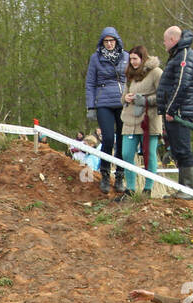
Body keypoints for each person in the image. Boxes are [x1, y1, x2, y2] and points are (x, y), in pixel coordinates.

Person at [85, 26, 127, 196]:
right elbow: (90, 83)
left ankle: (120, 176)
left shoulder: (126, 56)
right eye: (106, 41)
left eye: (112, 41)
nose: (109, 44)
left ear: (116, 41)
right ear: (102, 42)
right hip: (103, 102)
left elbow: (134, 78)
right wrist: (91, 106)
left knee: (123, 141)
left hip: (123, 102)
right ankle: (104, 174)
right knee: (108, 138)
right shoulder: (95, 58)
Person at [157, 24, 193, 193]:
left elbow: (182, 84)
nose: (164, 44)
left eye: (165, 41)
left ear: (173, 40)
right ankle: (183, 188)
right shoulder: (177, 55)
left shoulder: (184, 56)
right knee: (177, 150)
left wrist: (171, 110)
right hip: (175, 112)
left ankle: (188, 189)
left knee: (183, 150)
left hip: (180, 113)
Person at [120, 44, 161, 198]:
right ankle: (130, 189)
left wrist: (143, 100)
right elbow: (122, 96)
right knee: (126, 154)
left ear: (143, 58)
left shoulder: (156, 73)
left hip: (149, 121)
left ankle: (147, 189)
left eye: (135, 59)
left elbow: (163, 96)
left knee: (149, 154)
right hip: (130, 120)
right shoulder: (129, 75)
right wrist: (127, 98)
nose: (133, 62)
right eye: (130, 59)